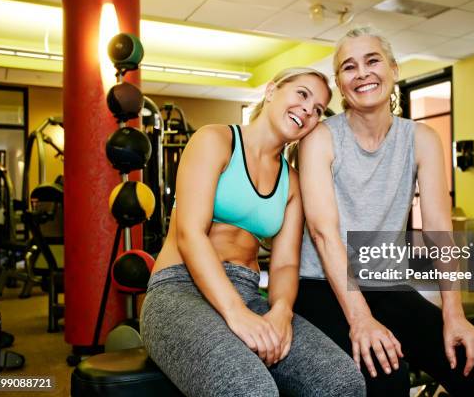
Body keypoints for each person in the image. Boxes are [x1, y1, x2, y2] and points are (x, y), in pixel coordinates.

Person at [293, 27, 474, 396]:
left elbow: (439, 228)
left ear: (393, 69)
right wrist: (360, 319)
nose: (362, 72)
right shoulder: (320, 139)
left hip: (387, 283)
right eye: (349, 67)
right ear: (341, 85)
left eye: (372, 60)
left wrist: (453, 314)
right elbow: (323, 233)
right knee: (385, 376)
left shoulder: (421, 139)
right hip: (321, 286)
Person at [140, 67, 366, 397]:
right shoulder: (214, 140)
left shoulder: (292, 182)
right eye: (302, 94)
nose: (308, 109)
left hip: (247, 292)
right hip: (179, 287)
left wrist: (280, 312)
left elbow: (286, 264)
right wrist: (235, 314)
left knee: (341, 380)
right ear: (272, 90)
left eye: (318, 109)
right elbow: (191, 234)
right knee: (250, 390)